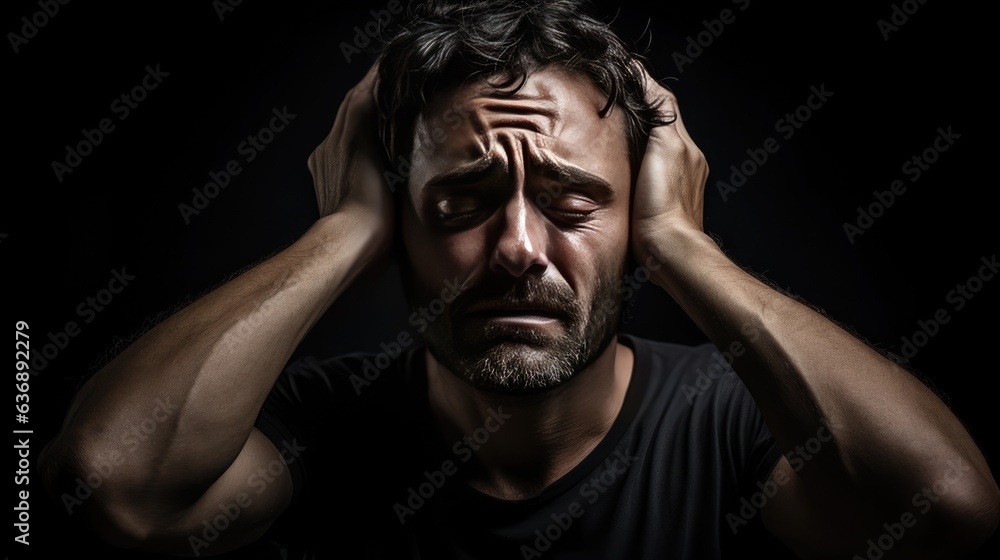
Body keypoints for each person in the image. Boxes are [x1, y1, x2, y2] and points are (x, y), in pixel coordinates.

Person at [39, 1, 998, 558]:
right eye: (461, 203)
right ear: (398, 224)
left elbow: (947, 513)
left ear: (638, 218)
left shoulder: (741, 420)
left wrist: (682, 243)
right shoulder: (313, 426)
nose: (519, 249)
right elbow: (108, 487)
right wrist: (345, 228)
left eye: (576, 201)